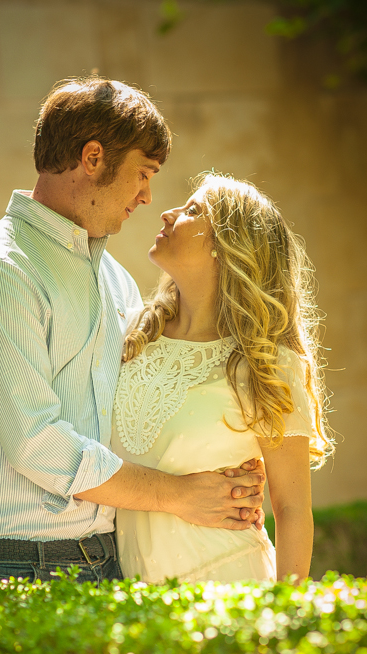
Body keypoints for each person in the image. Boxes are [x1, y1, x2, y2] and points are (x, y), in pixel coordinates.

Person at [0, 78, 265, 600]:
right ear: (92, 157)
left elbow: (141, 407)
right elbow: (38, 444)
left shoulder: (114, 279)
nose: (148, 196)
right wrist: (180, 495)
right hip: (5, 568)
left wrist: (230, 458)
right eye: (143, 174)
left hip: (106, 561)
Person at [112, 173, 334, 584]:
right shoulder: (130, 334)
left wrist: (286, 613)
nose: (167, 212)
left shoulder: (268, 365)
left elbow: (292, 509)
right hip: (131, 598)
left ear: (226, 248)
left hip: (229, 586)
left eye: (193, 211)